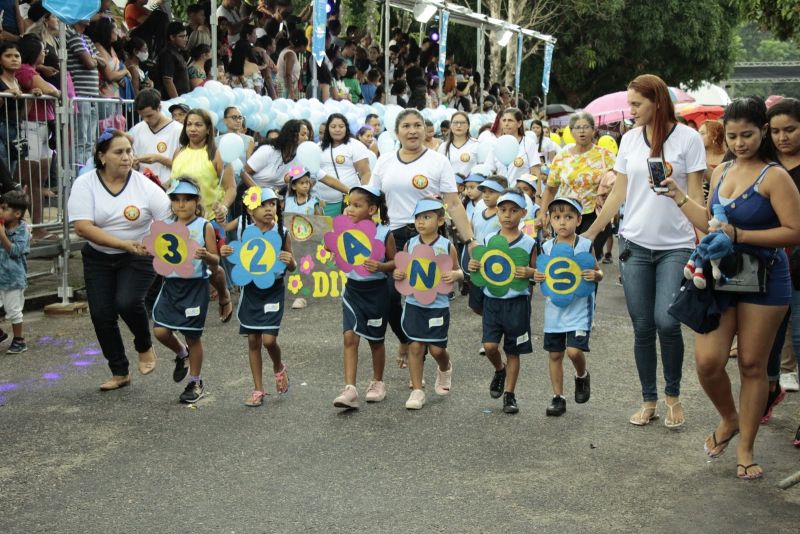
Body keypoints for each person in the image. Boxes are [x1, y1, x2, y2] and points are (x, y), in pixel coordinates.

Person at [664, 97, 800, 479]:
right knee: (708, 362)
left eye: (748, 135)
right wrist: (677, 196)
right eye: (733, 136)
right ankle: (730, 418)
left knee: (754, 365)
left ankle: (745, 449)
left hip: (767, 279)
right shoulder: (722, 170)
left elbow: (794, 230)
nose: (740, 143)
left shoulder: (775, 176)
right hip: (720, 278)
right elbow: (710, 223)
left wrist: (741, 233)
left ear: (762, 133)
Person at [583, 74, 706, 428]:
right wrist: (590, 234)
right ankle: (648, 398)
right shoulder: (629, 140)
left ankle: (673, 396)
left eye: (637, 104)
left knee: (668, 322)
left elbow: (697, 198)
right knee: (642, 327)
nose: (631, 110)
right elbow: (618, 194)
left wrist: (705, 243)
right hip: (633, 244)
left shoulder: (688, 139)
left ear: (657, 102)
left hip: (676, 246)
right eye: (630, 103)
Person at [370, 109, 478, 369]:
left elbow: (452, 203)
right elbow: (371, 200)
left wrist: (471, 241)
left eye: (417, 125)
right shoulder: (384, 161)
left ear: (425, 130)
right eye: (406, 126)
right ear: (397, 133)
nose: (412, 130)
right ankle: (406, 338)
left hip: (429, 236)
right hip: (394, 235)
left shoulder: (438, 161)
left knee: (426, 295)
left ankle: (421, 351)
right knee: (390, 297)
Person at [68, 130, 171, 390]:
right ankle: (119, 371)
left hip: (139, 255)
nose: (127, 157)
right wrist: (122, 243)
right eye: (118, 152)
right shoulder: (86, 183)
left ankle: (144, 345)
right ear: (102, 157)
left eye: (129, 151)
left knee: (127, 302)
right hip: (98, 257)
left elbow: (169, 221)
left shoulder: (145, 185)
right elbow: (82, 227)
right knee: (101, 314)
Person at [220, 186, 296, 407]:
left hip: (273, 291)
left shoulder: (282, 233)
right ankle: (258, 389)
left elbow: (292, 266)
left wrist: (289, 261)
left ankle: (278, 366)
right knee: (253, 340)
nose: (269, 209)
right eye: (263, 205)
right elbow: (240, 256)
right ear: (250, 210)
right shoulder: (245, 230)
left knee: (269, 340)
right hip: (250, 291)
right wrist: (227, 252)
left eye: (272, 204)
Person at [468, 190, 536, 413]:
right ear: (497, 211)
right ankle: (499, 369)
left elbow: (537, 273)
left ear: (523, 213)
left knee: (513, 350)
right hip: (492, 301)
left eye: (514, 210)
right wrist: (473, 266)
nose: (507, 215)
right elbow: (478, 266)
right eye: (503, 210)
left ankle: (510, 394)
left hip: (517, 304)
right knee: (489, 346)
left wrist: (529, 272)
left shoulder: (529, 243)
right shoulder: (488, 240)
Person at [152, 178, 219, 403]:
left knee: (193, 336)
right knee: (160, 331)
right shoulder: (165, 226)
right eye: (176, 200)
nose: (181, 205)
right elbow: (159, 253)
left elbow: (216, 261)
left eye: (187, 200)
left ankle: (195, 381)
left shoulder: (204, 226)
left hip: (194, 287)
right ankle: (182, 354)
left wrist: (206, 255)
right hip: (170, 286)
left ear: (196, 201)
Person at [534, 197, 601, 416]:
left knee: (573, 351)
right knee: (555, 354)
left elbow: (597, 271)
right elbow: (543, 274)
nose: (562, 222)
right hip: (554, 310)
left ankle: (582, 375)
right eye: (557, 217)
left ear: (579, 220)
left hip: (579, 309)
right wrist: (538, 276)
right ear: (550, 221)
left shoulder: (585, 245)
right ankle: (558, 397)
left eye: (568, 217)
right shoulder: (546, 246)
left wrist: (596, 275)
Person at [393, 197, 462, 410]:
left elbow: (459, 270)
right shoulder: (410, 243)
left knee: (436, 350)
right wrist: (398, 273)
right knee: (415, 346)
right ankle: (417, 390)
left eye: (427, 217)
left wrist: (455, 275)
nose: (421, 222)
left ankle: (445, 367)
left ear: (440, 221)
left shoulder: (446, 246)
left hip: (438, 306)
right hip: (414, 304)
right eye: (417, 218)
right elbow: (402, 268)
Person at [332, 185, 396, 409]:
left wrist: (380, 266)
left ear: (372, 209)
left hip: (377, 292)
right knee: (349, 337)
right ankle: (350, 388)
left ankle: (378, 382)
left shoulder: (383, 233)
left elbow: (395, 262)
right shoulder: (344, 231)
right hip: (353, 291)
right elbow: (339, 253)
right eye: (349, 204)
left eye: (357, 205)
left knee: (376, 341)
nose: (350, 209)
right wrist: (336, 257)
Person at [171, 109, 236, 322]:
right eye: (189, 124)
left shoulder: (216, 154)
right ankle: (187, 306)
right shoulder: (179, 153)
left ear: (208, 129)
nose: (193, 129)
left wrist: (224, 207)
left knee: (212, 265)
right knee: (182, 262)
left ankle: (224, 294)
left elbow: (230, 188)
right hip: (181, 218)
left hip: (208, 219)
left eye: (198, 124)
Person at [767, 98, 800, 440]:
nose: (782, 137)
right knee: (768, 344)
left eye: (789, 129)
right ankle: (769, 390)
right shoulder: (765, 164)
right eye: (775, 131)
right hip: (769, 267)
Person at [539, 112, 616, 259]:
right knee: (565, 257)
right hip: (566, 213)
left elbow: (618, 184)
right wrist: (542, 213)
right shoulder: (561, 157)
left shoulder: (605, 155)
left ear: (593, 130)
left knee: (586, 258)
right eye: (577, 127)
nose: (582, 131)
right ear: (571, 131)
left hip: (595, 214)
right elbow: (551, 188)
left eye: (586, 127)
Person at [15, 35, 59, 241]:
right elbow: (53, 91)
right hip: (29, 127)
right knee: (27, 180)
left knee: (37, 181)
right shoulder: (24, 70)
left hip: (41, 127)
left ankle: (38, 228)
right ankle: (24, 227)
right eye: (42, 50)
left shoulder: (32, 70)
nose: (45, 53)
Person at [245, 119, 348, 194]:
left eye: (307, 135)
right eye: (303, 134)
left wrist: (350, 191)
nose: (307, 138)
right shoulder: (268, 150)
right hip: (250, 195)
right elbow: (244, 173)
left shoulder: (302, 157)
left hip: (273, 200)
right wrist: (259, 193)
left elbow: (325, 178)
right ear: (293, 135)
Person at [66, 20, 102, 174]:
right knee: (80, 140)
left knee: (90, 141)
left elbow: (102, 63)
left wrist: (94, 59)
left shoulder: (86, 39)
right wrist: (93, 59)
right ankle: (78, 176)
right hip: (80, 95)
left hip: (92, 96)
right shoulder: (73, 37)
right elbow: (90, 62)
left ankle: (86, 173)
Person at [318, 113, 372, 216]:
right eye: (333, 126)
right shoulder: (318, 147)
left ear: (346, 128)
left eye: (341, 126)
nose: (337, 129)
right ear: (327, 129)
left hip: (349, 203)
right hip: (323, 203)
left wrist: (363, 196)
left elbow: (365, 173)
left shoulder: (355, 145)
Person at [128, 89, 182, 188]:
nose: (146, 120)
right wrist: (134, 164)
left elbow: (184, 167)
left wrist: (158, 159)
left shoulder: (178, 130)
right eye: (142, 116)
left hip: (169, 189)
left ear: (159, 108)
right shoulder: (136, 130)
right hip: (142, 188)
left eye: (149, 115)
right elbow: (134, 165)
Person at [0, 189, 30, 354]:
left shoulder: (22, 231)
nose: (1, 211)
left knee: (13, 311)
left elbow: (16, 251)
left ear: (17, 213)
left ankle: (19, 339)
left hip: (13, 279)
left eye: (4, 208)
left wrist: (3, 236)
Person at [490, 107, 541, 188]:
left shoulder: (528, 143)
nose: (506, 124)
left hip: (522, 195)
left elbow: (535, 173)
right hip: (501, 195)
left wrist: (537, 195)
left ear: (519, 123)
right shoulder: (496, 144)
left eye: (510, 120)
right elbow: (489, 170)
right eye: (504, 120)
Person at [438, 111, 478, 177]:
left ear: (468, 125)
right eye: (455, 122)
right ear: (450, 126)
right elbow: (439, 169)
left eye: (462, 123)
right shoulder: (443, 146)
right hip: (450, 186)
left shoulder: (476, 145)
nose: (459, 125)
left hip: (469, 185)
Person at [157, 22, 190, 98]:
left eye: (186, 36)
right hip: (172, 101)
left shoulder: (177, 52)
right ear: (172, 37)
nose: (185, 39)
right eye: (181, 36)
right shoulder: (168, 54)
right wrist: (177, 101)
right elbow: (168, 81)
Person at [275, 29, 305, 100]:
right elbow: (288, 74)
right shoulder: (290, 54)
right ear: (302, 45)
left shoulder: (288, 51)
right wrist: (291, 94)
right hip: (285, 88)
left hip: (285, 87)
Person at [699, 120, 725, 193]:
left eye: (702, 133)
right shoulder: (697, 156)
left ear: (715, 136)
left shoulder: (727, 158)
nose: (698, 136)